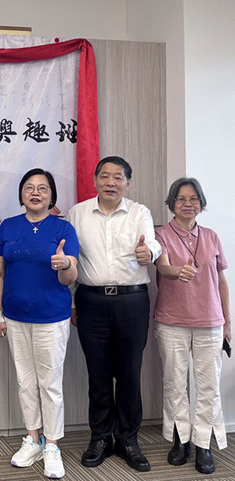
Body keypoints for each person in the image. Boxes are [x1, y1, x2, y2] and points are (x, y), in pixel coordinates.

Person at [66, 156, 161, 472]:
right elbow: (71, 259)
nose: (110, 182)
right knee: (98, 374)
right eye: (104, 176)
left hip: (131, 301)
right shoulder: (78, 213)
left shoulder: (139, 212)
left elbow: (153, 245)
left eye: (118, 177)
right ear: (95, 180)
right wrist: (73, 302)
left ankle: (128, 439)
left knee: (129, 373)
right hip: (91, 300)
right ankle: (100, 438)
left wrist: (149, 253)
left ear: (127, 183)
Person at [0, 168, 78, 479]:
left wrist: (64, 264)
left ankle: (52, 445)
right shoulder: (8, 227)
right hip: (15, 318)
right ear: (21, 194)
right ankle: (33, 439)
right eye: (29, 187)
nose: (36, 192)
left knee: (50, 383)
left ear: (52, 196)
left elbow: (70, 277)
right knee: (25, 382)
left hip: (51, 318)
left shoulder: (63, 228)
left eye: (42, 188)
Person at [154, 177, 231, 474]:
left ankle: (202, 444)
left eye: (193, 199)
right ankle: (180, 440)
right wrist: (178, 272)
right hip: (171, 321)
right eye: (181, 199)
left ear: (201, 203)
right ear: (172, 203)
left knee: (208, 385)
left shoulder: (211, 236)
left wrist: (227, 322)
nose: (188, 204)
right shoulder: (160, 234)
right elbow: (163, 266)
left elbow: (221, 280)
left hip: (210, 321)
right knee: (175, 383)